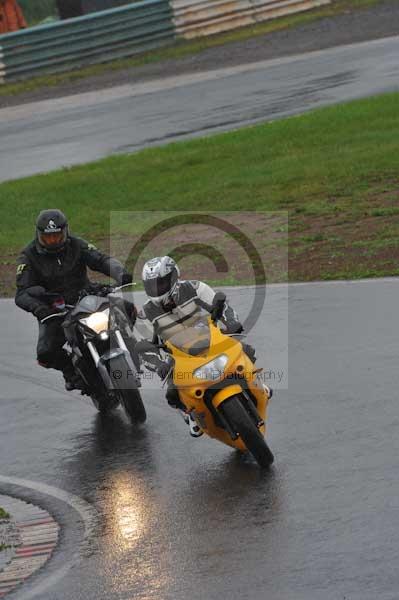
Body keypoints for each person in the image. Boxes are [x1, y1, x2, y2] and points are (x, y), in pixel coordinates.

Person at [15, 209, 133, 391]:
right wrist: (40, 309)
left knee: (128, 309)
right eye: (48, 238)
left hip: (86, 297)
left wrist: (120, 273)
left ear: (65, 231)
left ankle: (129, 346)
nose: (53, 241)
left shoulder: (77, 245)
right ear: (39, 235)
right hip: (55, 308)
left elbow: (101, 260)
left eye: (57, 236)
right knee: (46, 353)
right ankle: (71, 371)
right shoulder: (28, 256)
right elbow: (22, 293)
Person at [139, 256, 256, 437]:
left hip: (211, 339)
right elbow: (144, 347)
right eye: (151, 285)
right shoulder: (146, 312)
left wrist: (231, 322)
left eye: (160, 283)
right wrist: (159, 364)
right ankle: (190, 413)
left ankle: (257, 385)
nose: (156, 289)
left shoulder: (194, 288)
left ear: (173, 277)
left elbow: (223, 306)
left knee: (246, 350)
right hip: (178, 355)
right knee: (172, 393)